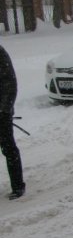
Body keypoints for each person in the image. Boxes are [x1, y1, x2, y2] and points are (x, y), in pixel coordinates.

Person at [0, 44, 25, 200]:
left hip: (1, 113)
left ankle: (17, 186)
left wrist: (4, 109)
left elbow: (10, 82)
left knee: (9, 149)